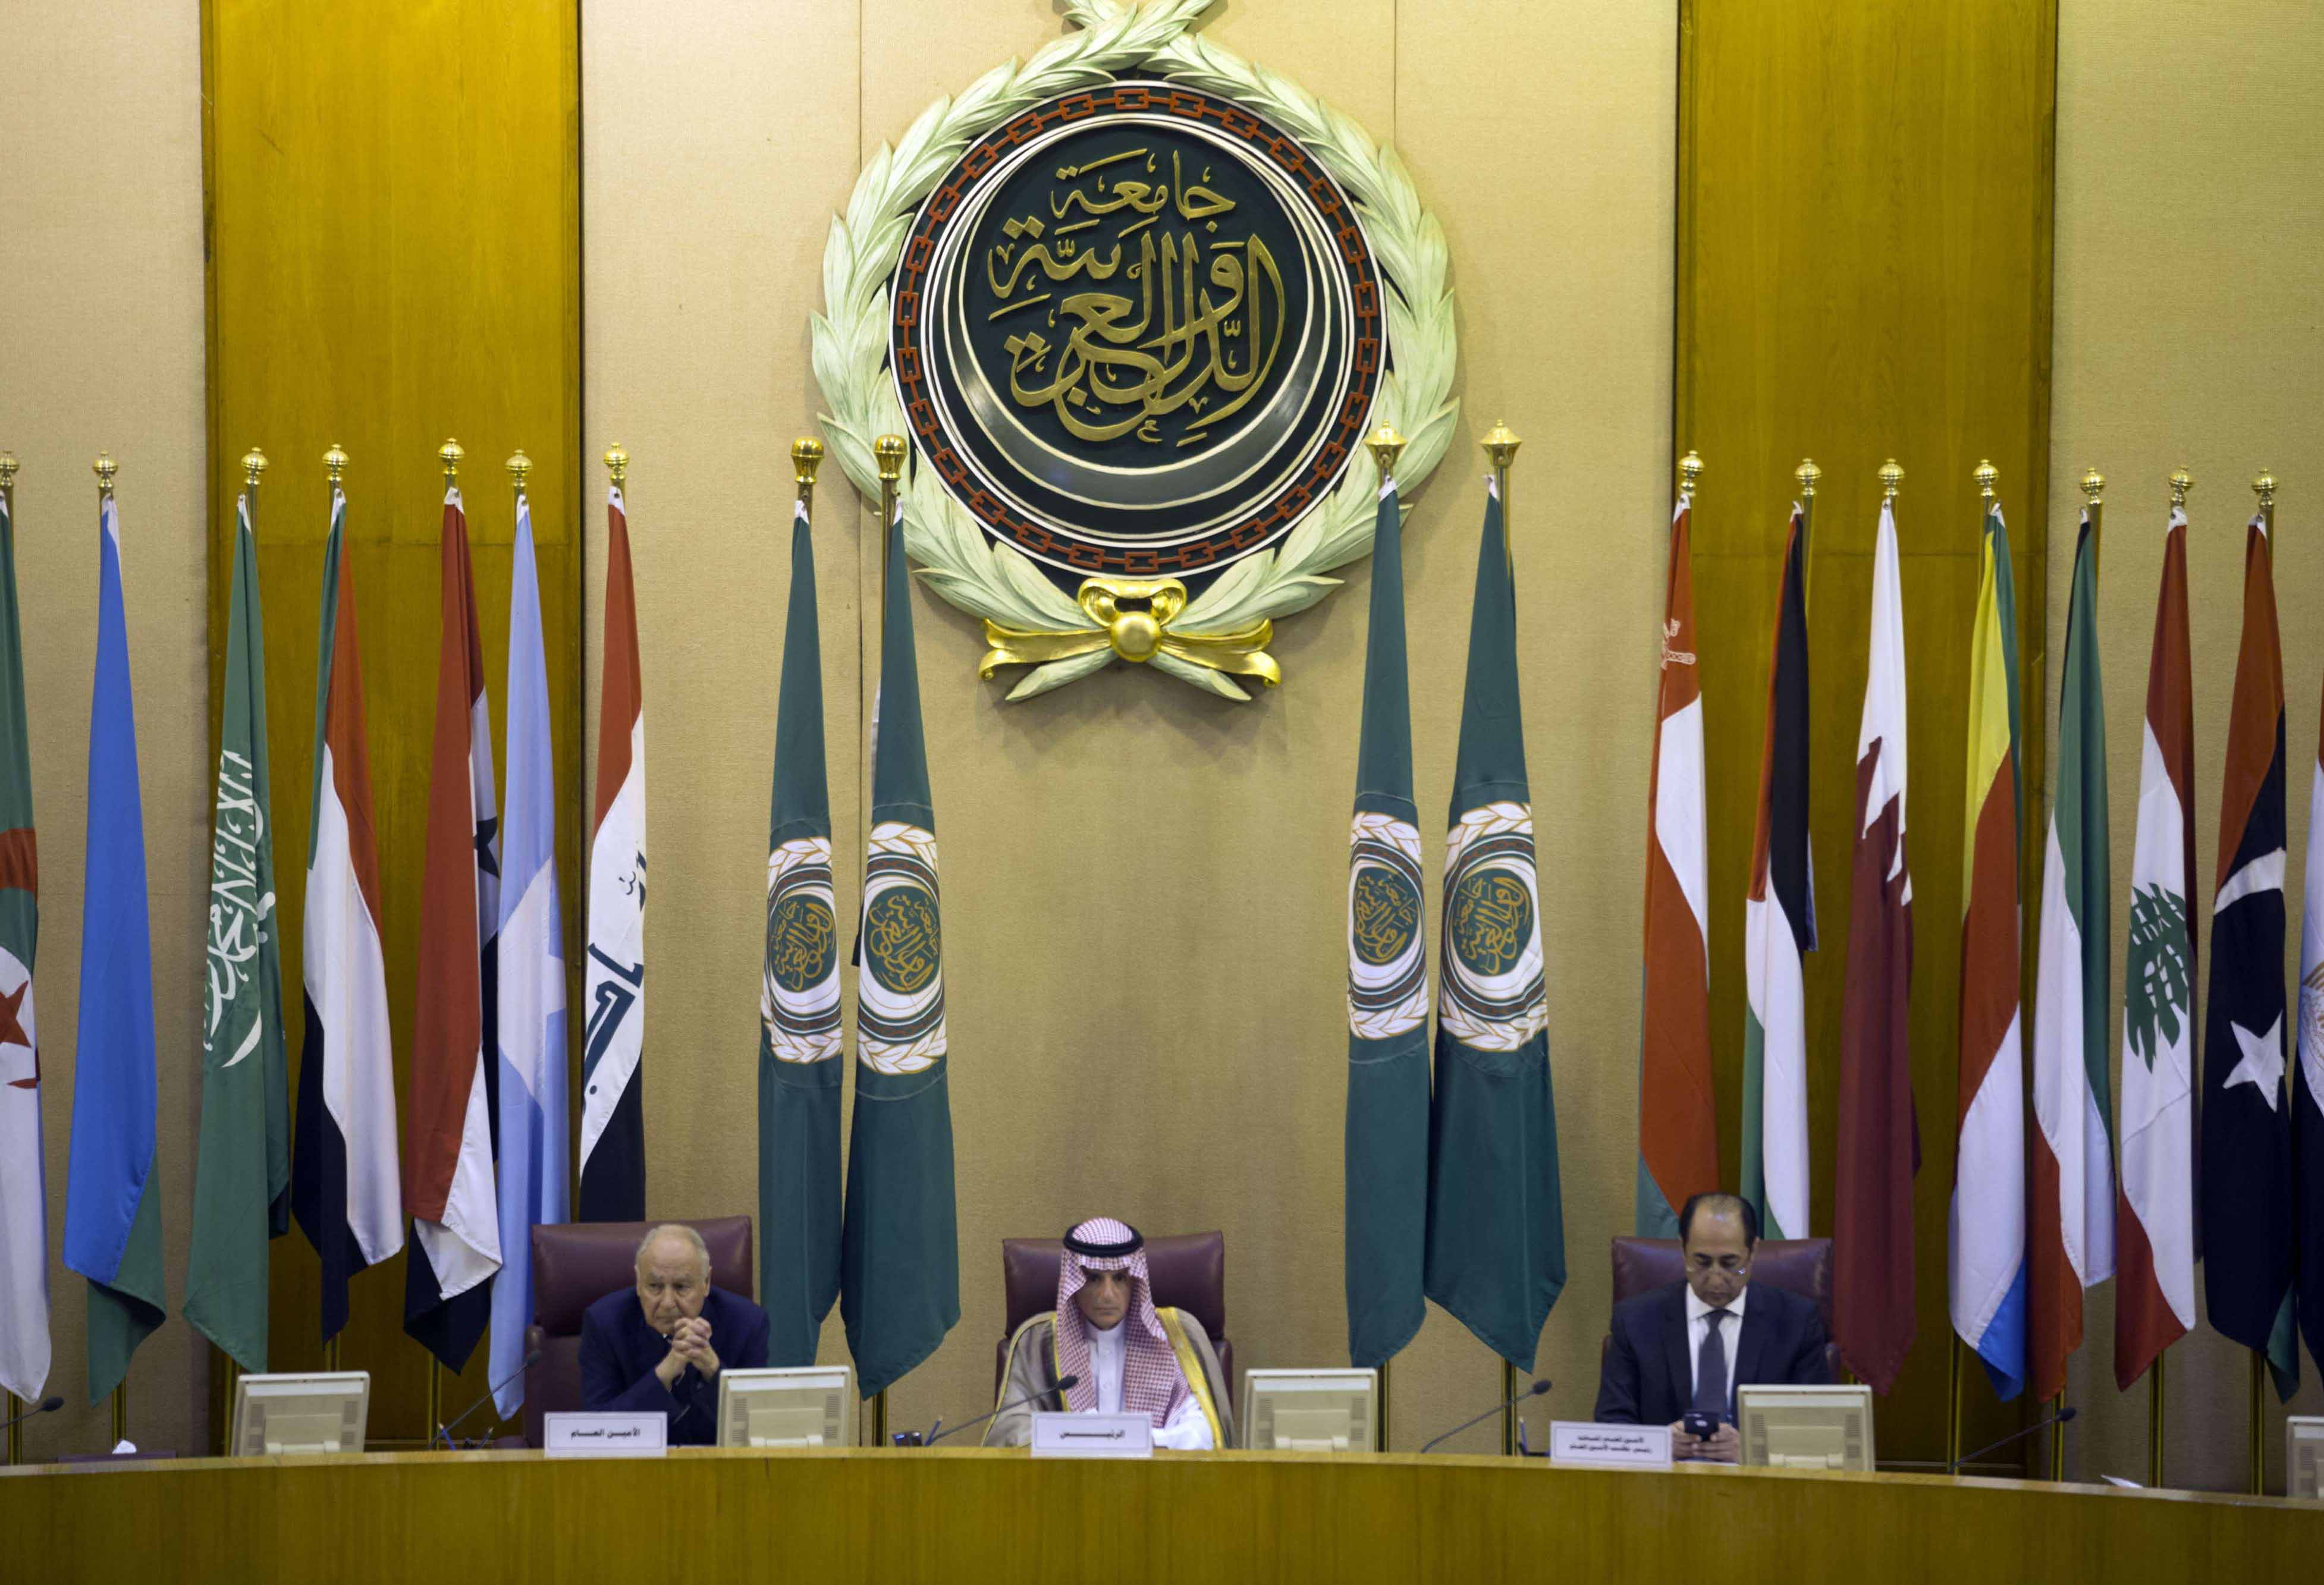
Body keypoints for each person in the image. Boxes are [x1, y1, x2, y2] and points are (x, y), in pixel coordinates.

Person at [1593, 1191, 1830, 1461]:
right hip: (1662, 1487)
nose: (1716, 1279)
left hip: (1760, 1487)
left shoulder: (1796, 1321)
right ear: (1683, 1250)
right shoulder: (1636, 1320)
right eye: (1702, 1262)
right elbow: (1611, 1424)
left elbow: (1818, 1431)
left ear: (1753, 1252)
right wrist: (1657, 1445)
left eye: (1731, 1264)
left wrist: (1753, 1449)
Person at [985, 1218, 1233, 1449]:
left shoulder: (1175, 1335)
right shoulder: (1037, 1342)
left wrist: (1140, 1440)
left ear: (1135, 1281)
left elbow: (1202, 1430)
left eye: (1119, 1279)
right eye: (1093, 1278)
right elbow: (1013, 1430)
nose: (1107, 1295)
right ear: (1073, 1282)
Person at [578, 1223, 771, 1446]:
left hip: (719, 1470)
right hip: (635, 1470)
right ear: (638, 1283)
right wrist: (664, 1374)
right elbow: (596, 1429)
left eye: (681, 1287)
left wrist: (713, 1370)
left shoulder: (747, 1323)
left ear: (706, 1283)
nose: (668, 1303)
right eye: (655, 1287)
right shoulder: (605, 1323)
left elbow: (757, 1427)